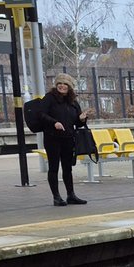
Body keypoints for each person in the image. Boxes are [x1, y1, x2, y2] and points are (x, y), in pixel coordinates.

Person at [37, 73, 89, 206]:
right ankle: (56, 197)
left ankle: (71, 195)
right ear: (56, 85)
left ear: (70, 87)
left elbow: (77, 123)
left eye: (66, 84)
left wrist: (82, 119)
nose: (62, 86)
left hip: (68, 138)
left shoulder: (73, 102)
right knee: (54, 167)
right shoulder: (49, 98)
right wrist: (54, 123)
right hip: (52, 138)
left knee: (67, 168)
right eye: (60, 83)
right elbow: (41, 115)